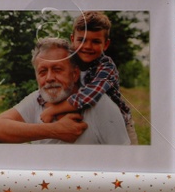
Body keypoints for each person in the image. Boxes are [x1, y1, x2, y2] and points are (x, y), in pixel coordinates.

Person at [0, 37, 131, 144]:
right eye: (43, 71)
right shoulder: (37, 99)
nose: (49, 78)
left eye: (58, 69)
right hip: (37, 174)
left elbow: (124, 163)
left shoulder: (101, 106)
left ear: (75, 74)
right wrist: (53, 130)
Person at [35, 11, 140, 145]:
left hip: (116, 124)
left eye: (96, 41)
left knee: (128, 159)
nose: (87, 47)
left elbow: (89, 96)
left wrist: (54, 110)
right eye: (82, 40)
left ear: (106, 44)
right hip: (85, 120)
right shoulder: (69, 62)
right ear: (73, 39)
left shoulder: (106, 67)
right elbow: (52, 84)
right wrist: (46, 102)